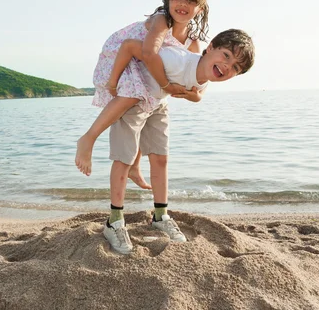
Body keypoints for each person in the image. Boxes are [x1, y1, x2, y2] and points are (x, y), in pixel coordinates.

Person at [102, 29, 255, 254]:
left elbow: (198, 91)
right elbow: (133, 48)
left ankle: (160, 216)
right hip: (134, 96)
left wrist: (195, 96)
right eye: (226, 56)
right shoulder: (177, 59)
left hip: (157, 103)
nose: (227, 67)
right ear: (210, 47)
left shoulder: (208, 74)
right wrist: (114, 82)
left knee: (161, 158)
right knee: (123, 158)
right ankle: (114, 222)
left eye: (235, 68)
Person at [75, 0, 210, 185]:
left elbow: (199, 86)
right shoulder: (162, 21)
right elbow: (147, 53)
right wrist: (115, 81)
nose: (183, 4)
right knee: (132, 95)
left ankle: (135, 167)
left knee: (150, 103)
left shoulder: (193, 44)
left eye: (191, 0)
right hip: (121, 56)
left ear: (200, 8)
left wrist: (193, 95)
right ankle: (88, 138)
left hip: (145, 65)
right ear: (168, 0)